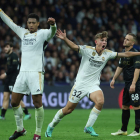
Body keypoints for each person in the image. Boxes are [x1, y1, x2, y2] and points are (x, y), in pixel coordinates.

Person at [45, 29, 140, 138]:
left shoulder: (107, 53)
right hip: (80, 85)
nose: (104, 42)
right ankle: (51, 126)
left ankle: (88, 127)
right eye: (102, 40)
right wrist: (65, 38)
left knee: (100, 101)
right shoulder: (87, 50)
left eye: (105, 40)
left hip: (93, 85)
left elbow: (126, 54)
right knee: (68, 110)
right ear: (96, 42)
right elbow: (74, 46)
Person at [0, 8, 57, 140]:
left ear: (38, 24)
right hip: (22, 73)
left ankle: (37, 133)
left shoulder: (42, 33)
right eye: (29, 22)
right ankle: (20, 129)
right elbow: (10, 23)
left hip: (35, 72)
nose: (30, 25)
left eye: (33, 23)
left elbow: (52, 33)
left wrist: (53, 25)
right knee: (14, 102)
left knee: (37, 103)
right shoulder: (23, 33)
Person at [111, 33, 140, 136]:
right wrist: (114, 78)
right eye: (125, 38)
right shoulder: (123, 52)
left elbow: (137, 69)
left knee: (136, 106)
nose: (124, 40)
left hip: (134, 84)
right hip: (127, 84)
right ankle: (123, 130)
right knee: (125, 106)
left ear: (132, 43)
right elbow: (120, 66)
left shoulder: (135, 54)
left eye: (127, 39)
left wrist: (133, 84)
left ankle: (137, 131)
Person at [0, 42, 31, 120]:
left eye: (7, 47)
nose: (5, 49)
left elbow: (14, 68)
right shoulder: (8, 56)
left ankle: (27, 113)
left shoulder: (14, 56)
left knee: (16, 99)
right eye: (5, 47)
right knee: (5, 96)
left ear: (11, 48)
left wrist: (5, 74)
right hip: (8, 79)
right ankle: (2, 116)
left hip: (13, 79)